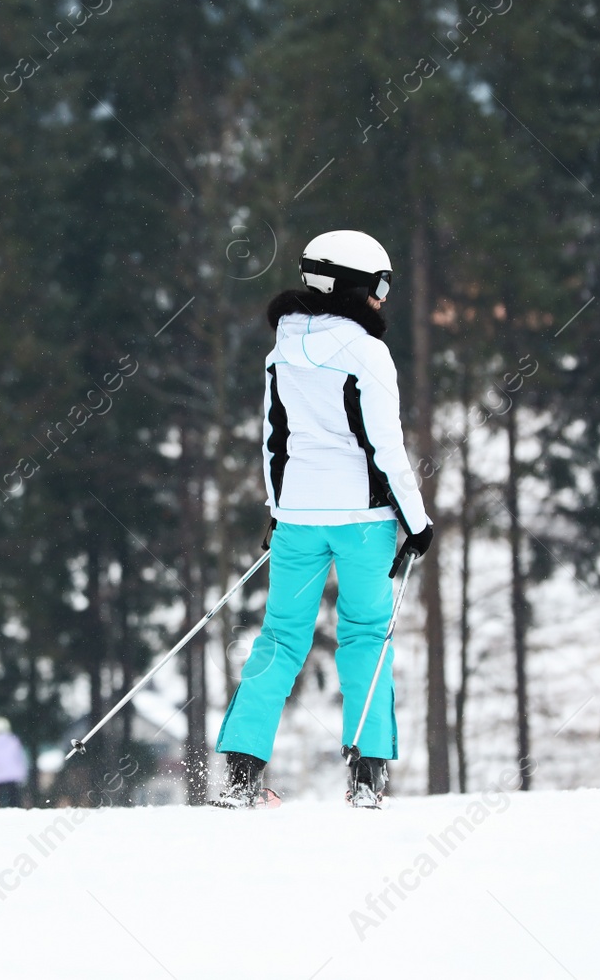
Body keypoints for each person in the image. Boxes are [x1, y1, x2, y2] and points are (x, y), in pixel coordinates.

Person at [214, 230, 434, 809]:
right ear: (355, 286)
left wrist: (276, 507)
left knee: (281, 638)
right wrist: (417, 520)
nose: (385, 297)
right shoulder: (368, 353)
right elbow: (386, 445)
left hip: (298, 517)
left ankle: (240, 777)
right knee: (365, 637)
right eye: (381, 285)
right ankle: (365, 779)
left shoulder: (279, 350)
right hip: (364, 519)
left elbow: (274, 442)